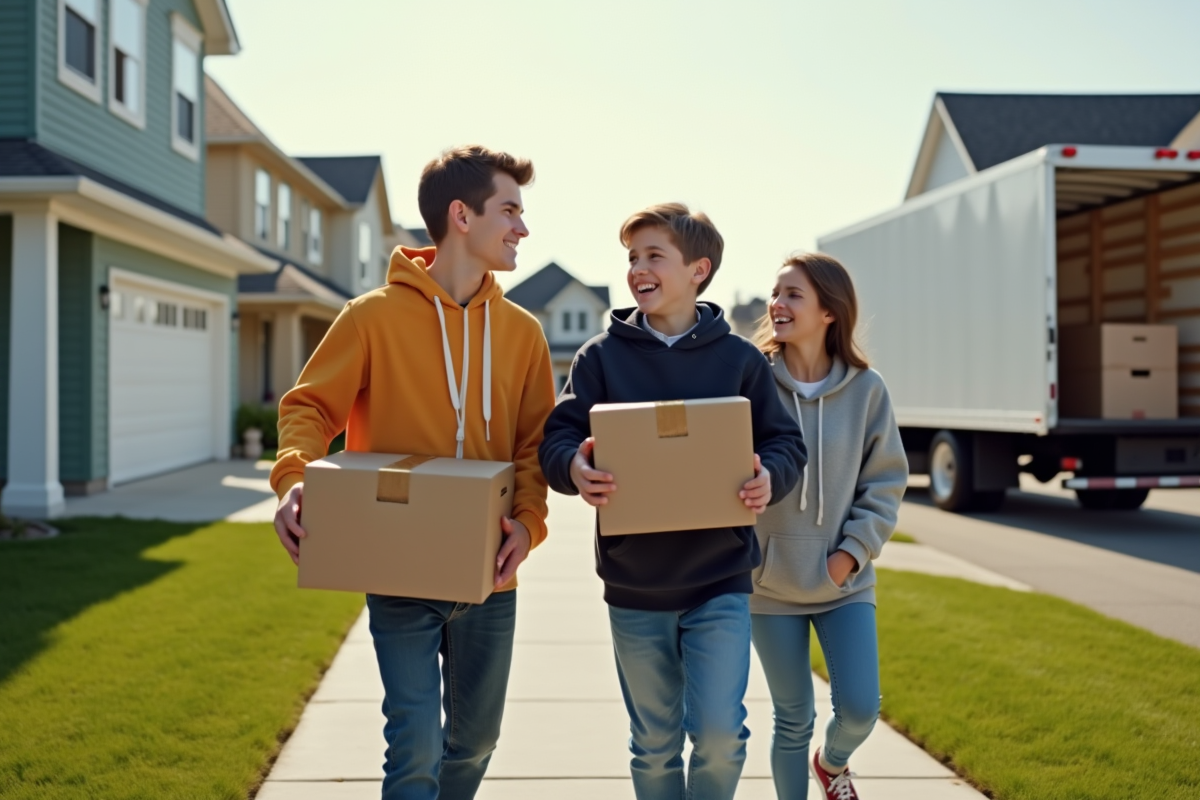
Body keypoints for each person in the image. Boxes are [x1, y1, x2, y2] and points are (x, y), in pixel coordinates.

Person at [270, 146, 557, 800]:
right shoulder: (372, 317)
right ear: (462, 214)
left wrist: (530, 526)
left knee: (475, 743)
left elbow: (534, 448)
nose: (522, 227)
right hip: (396, 567)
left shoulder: (522, 333)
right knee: (415, 747)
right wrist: (294, 483)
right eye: (509, 210)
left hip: (490, 574)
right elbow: (309, 407)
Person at [539, 203, 807, 800]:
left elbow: (784, 443)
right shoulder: (600, 358)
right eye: (632, 257)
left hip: (720, 579)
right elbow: (557, 440)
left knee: (718, 735)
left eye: (654, 255)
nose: (638, 268)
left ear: (698, 269)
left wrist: (772, 477)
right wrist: (575, 467)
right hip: (636, 584)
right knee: (654, 746)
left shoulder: (738, 359)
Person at [748, 253, 907, 800]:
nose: (778, 304)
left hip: (844, 581)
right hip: (769, 584)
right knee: (791, 717)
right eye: (776, 292)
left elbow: (885, 484)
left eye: (793, 294)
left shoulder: (867, 390)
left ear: (828, 311)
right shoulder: (753, 381)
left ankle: (831, 762)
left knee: (861, 708)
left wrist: (850, 555)